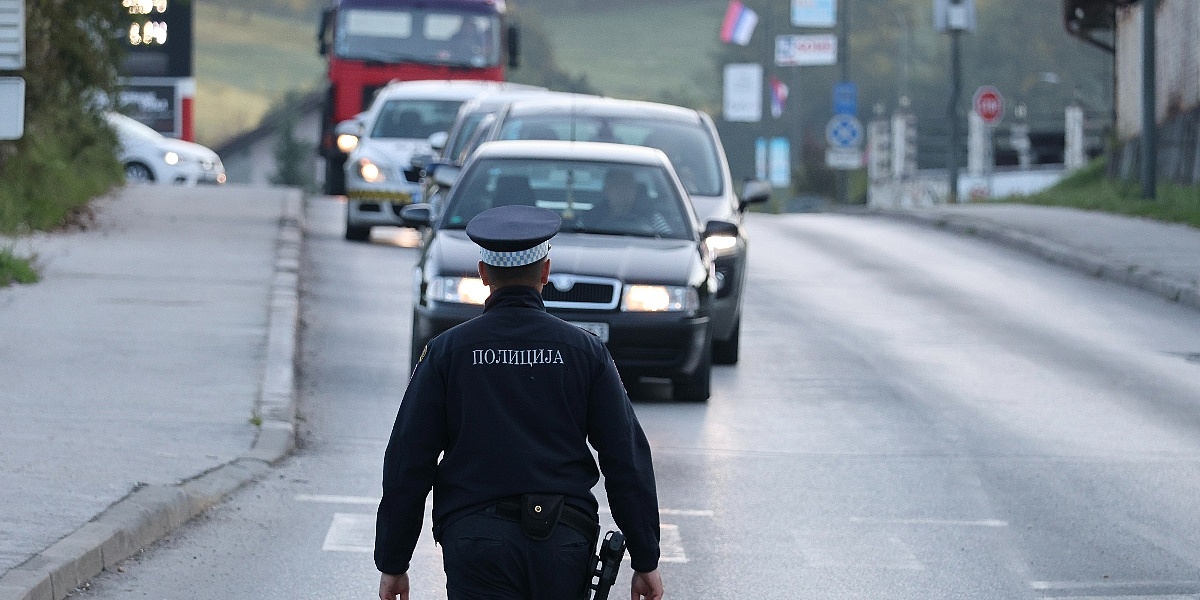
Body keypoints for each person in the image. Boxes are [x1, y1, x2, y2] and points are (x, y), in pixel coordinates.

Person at [375, 204, 665, 600]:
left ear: (483, 275)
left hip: (476, 542)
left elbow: (408, 459)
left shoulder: (448, 353)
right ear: (545, 272)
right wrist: (645, 558)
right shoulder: (585, 352)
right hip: (564, 541)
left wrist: (394, 563)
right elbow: (625, 457)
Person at [591, 169, 675, 237]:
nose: (622, 190)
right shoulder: (591, 217)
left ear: (635, 190)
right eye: (616, 185)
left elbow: (671, 242)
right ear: (606, 189)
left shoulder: (653, 218)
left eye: (627, 184)